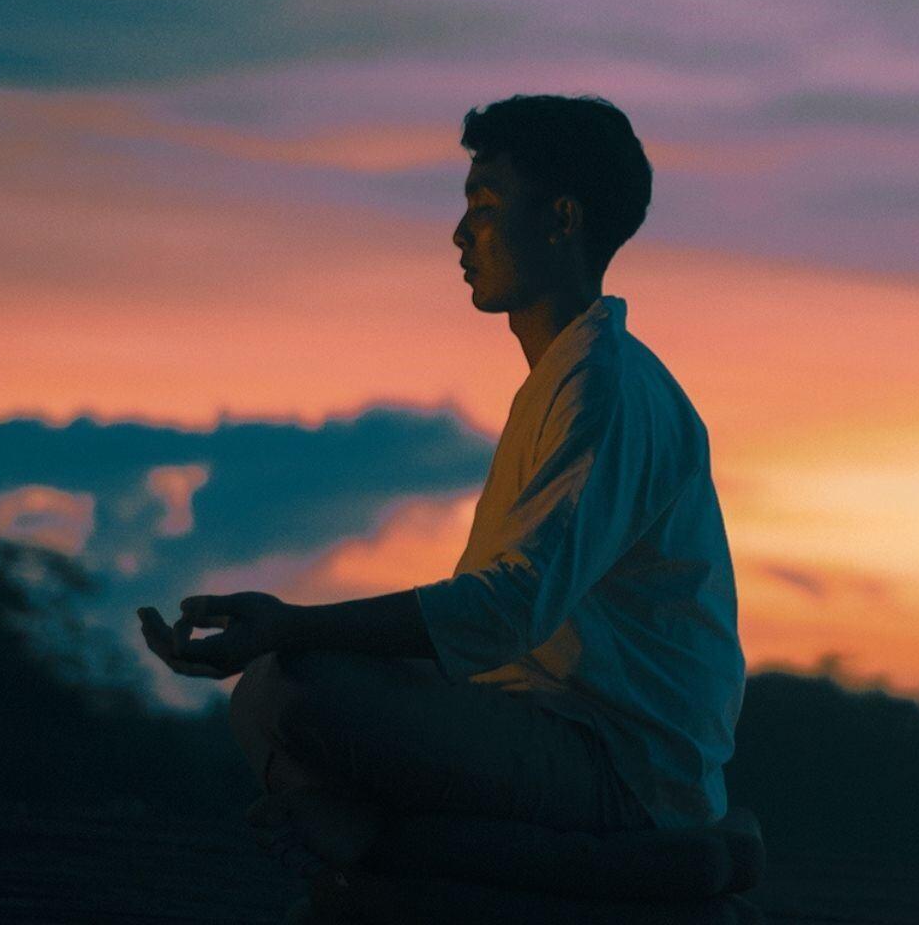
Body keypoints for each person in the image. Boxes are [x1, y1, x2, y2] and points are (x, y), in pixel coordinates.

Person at [137, 94, 746, 881]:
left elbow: (507, 609)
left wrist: (294, 623)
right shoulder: (567, 377)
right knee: (266, 691)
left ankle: (367, 843)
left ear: (561, 219)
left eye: (485, 206)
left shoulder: (606, 386)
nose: (461, 234)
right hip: (537, 722)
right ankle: (352, 833)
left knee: (299, 689)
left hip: (618, 763)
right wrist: (290, 637)